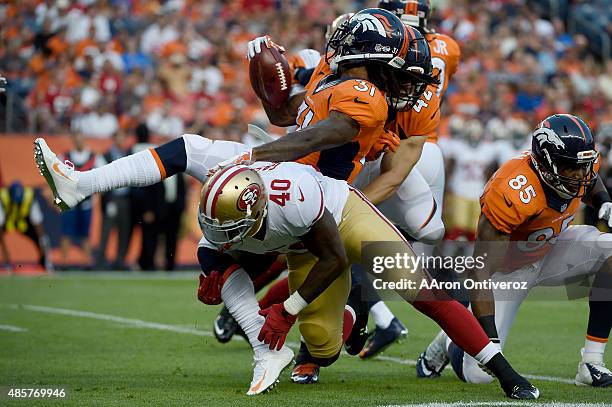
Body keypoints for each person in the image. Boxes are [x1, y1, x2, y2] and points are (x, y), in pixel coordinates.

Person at [35, 131, 540, 400]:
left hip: (337, 216)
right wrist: (229, 287)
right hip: (299, 242)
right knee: (323, 345)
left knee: (417, 287)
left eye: (232, 231)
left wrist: (288, 308)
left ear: (255, 211)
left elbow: (334, 254)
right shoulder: (220, 187)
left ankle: (504, 371)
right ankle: (279, 343)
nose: (221, 238)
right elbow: (182, 149)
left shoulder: (293, 196)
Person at [416, 114, 612, 388]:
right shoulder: (512, 190)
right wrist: (490, 345)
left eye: (584, 165)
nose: (580, 174)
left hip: (554, 248)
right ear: (546, 162)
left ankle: (591, 362)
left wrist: (603, 202)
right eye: (571, 167)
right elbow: (479, 269)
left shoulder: (579, 167)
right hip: (509, 271)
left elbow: (590, 183)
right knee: (479, 374)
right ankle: (449, 338)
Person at [58, 133, 104, 268]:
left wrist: (97, 192)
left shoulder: (94, 157)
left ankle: (87, 261)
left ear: (84, 140)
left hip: (86, 202)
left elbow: (103, 174)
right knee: (66, 232)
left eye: (80, 139)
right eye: (76, 139)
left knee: (85, 233)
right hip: (70, 202)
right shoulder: (64, 157)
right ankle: (64, 262)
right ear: (73, 140)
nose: (78, 142)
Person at [96, 130, 132, 270]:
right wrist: (107, 198)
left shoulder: (129, 155)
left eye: (123, 137)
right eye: (118, 137)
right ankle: (101, 260)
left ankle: (120, 260)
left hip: (125, 198)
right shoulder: (105, 156)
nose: (121, 140)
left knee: (124, 230)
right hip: (112, 198)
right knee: (106, 229)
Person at [0, 181, 52, 271]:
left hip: (22, 222)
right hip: (7, 221)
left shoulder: (29, 197)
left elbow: (37, 223)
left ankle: (45, 262)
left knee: (41, 238)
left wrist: (42, 241)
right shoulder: (2, 197)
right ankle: (6, 264)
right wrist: (6, 255)